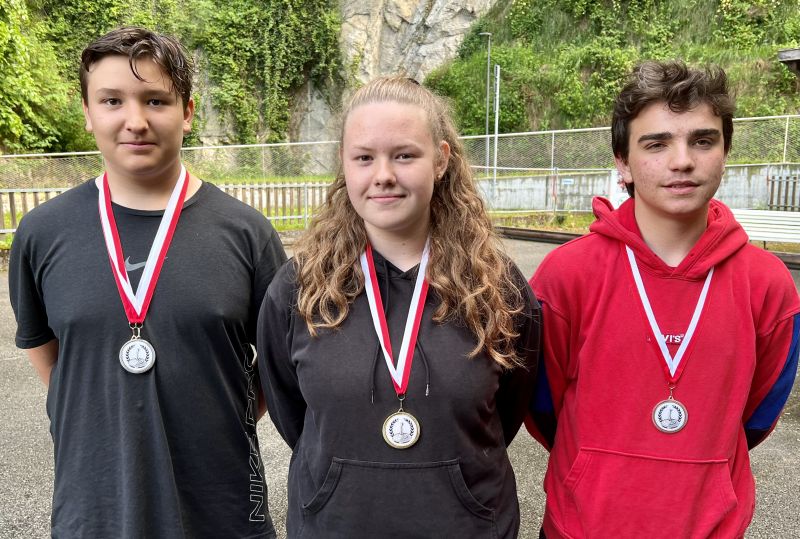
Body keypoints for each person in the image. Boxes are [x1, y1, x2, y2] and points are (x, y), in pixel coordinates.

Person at [9, 27, 286, 538]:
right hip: (95, 512)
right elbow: (48, 354)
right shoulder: (42, 232)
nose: (135, 121)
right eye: (112, 100)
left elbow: (277, 362)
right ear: (88, 112)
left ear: (187, 112)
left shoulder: (246, 233)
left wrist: (224, 411)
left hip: (221, 511)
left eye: (156, 100)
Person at [257, 76, 540, 538]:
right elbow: (293, 413)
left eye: (404, 155)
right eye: (364, 157)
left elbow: (507, 411)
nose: (383, 174)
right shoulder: (298, 290)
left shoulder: (498, 287)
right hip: (334, 526)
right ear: (344, 164)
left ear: (441, 160)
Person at [527, 60, 800, 538]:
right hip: (582, 528)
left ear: (725, 151)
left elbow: (758, 414)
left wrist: (704, 467)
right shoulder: (567, 275)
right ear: (623, 162)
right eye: (656, 144)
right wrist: (594, 467)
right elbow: (541, 404)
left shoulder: (768, 284)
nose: (682, 161)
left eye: (703, 140)